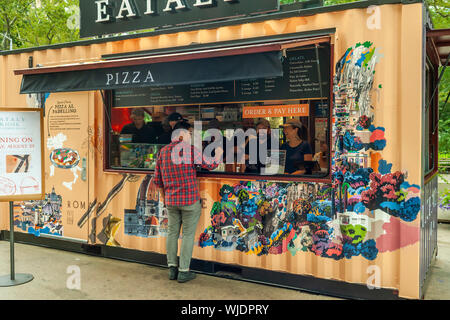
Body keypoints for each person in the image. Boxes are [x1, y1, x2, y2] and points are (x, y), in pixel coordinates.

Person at [153, 121, 221, 283]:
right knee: (188, 235)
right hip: (189, 201)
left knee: (172, 233)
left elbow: (157, 180)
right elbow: (210, 165)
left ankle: (171, 269)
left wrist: (164, 197)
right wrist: (218, 153)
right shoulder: (191, 151)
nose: (191, 136)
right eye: (190, 134)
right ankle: (183, 271)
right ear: (181, 135)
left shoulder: (163, 152)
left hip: (171, 201)